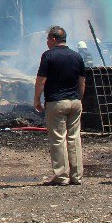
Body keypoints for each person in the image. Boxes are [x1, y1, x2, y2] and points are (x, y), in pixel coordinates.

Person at [34, 25, 86, 186]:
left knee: (58, 139)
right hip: (75, 102)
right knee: (74, 138)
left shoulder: (48, 56)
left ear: (54, 39)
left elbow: (41, 80)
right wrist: (79, 98)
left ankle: (62, 176)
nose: (47, 42)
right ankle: (76, 176)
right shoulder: (77, 56)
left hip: (56, 102)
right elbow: (82, 81)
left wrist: (37, 99)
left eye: (48, 39)